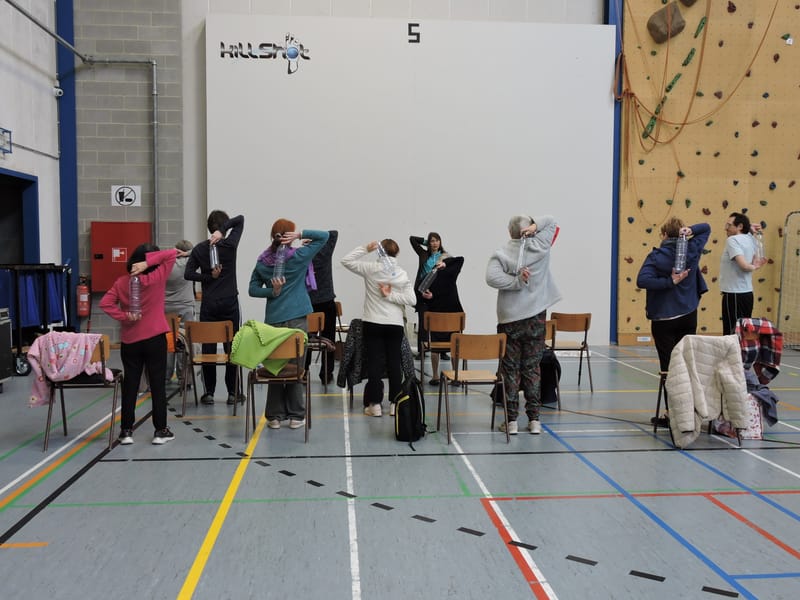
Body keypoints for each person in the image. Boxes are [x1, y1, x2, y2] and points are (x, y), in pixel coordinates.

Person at [100, 243, 189, 445]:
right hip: (155, 339)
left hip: (130, 341)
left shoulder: (122, 282)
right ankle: (160, 430)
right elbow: (171, 254)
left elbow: (105, 303)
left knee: (131, 385)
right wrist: (149, 262)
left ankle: (126, 431)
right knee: (157, 385)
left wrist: (124, 316)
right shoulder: (157, 278)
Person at [249, 220, 328, 429]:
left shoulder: (263, 261)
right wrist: (301, 234)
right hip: (297, 319)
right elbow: (325, 236)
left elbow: (252, 289)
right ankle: (296, 416)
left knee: (275, 367)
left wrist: (272, 291)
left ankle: (274, 416)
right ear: (289, 236)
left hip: (273, 320)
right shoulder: (299, 257)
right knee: (296, 368)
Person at [486, 215, 561, 435]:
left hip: (510, 320)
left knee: (510, 370)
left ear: (510, 232)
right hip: (536, 318)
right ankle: (534, 420)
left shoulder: (502, 252)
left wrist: (515, 282)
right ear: (529, 230)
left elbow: (491, 278)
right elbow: (551, 221)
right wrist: (535, 227)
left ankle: (511, 421)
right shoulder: (541, 246)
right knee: (532, 368)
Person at [341, 239, 416, 417]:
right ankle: (395, 404)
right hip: (395, 324)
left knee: (374, 363)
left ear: (379, 252)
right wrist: (392, 296)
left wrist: (365, 248)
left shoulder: (371, 268)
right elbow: (412, 300)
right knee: (394, 363)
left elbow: (346, 260)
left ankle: (374, 405)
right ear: (397, 253)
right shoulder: (401, 273)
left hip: (373, 322)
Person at [184, 211, 245, 405]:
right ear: (222, 228)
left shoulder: (200, 249)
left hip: (209, 304)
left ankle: (209, 392)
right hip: (229, 303)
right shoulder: (230, 244)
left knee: (208, 348)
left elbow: (188, 274)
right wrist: (223, 230)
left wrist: (208, 277)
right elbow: (240, 219)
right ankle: (233, 393)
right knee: (232, 348)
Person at [636, 219, 711, 372]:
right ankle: (687, 388)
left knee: (668, 365)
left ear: (664, 235)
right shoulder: (692, 249)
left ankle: (669, 388)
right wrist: (690, 229)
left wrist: (669, 281)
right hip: (688, 314)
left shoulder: (656, 256)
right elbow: (706, 228)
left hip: (664, 317)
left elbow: (642, 281)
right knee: (686, 362)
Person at [419, 254, 464, 386]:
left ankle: (435, 376)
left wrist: (429, 297)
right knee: (454, 346)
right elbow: (460, 259)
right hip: (453, 314)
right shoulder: (451, 272)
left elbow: (423, 294)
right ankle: (455, 375)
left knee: (434, 347)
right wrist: (447, 263)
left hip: (436, 315)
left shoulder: (431, 276)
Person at [720, 212, 767, 335]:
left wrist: (754, 267)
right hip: (747, 294)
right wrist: (749, 229)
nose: (726, 228)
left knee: (732, 334)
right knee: (743, 333)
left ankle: (735, 349)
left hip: (734, 294)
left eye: (729, 225)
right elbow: (754, 258)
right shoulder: (751, 239)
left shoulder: (732, 240)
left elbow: (744, 266)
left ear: (740, 226)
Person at [305, 230, 338, 384]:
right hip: (327, 302)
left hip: (308, 303)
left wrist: (308, 244)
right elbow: (333, 234)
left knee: (306, 340)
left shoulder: (303, 256)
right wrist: (313, 238)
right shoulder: (325, 253)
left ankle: (304, 370)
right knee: (329, 339)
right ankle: (326, 374)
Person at [410, 232, 448, 355]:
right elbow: (412, 239)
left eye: (437, 240)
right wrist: (427, 242)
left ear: (440, 242)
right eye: (432, 241)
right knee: (423, 322)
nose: (435, 243)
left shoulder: (445, 256)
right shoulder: (423, 254)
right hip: (422, 291)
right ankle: (422, 351)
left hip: (437, 293)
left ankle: (442, 351)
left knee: (439, 322)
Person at [164, 239, 195, 387]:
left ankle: (165, 375)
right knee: (185, 342)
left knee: (168, 341)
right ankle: (184, 378)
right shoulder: (190, 262)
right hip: (185, 306)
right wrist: (188, 253)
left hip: (165, 307)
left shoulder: (166, 263)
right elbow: (200, 251)